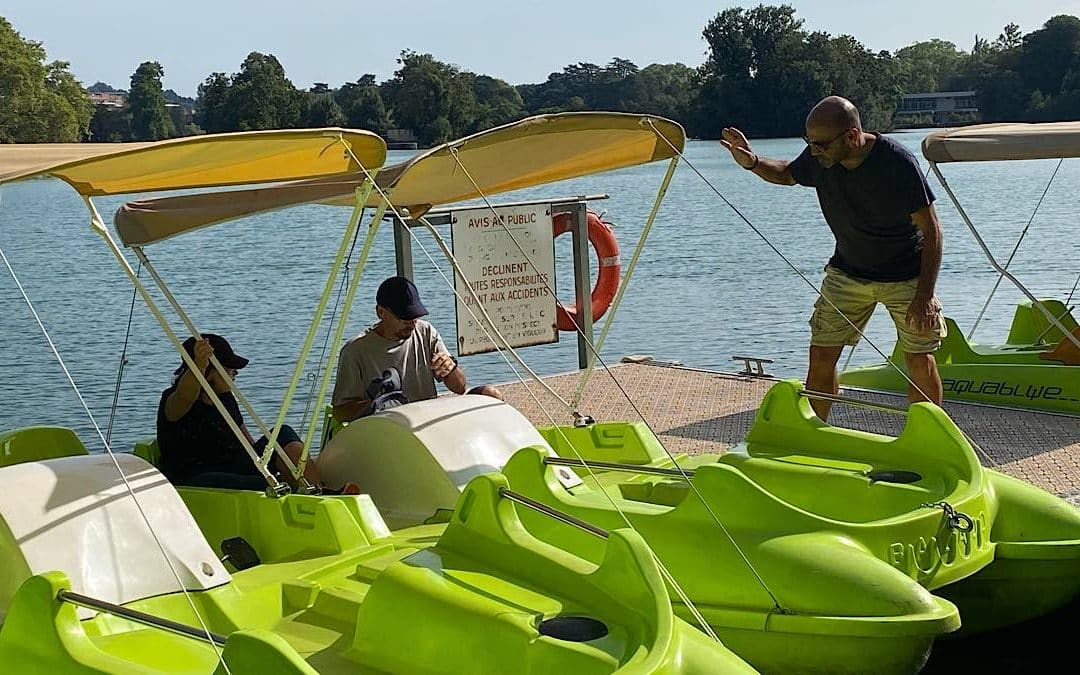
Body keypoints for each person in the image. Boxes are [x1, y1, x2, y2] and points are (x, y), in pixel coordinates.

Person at [720, 95, 946, 420]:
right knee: (822, 354)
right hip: (847, 274)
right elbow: (787, 173)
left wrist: (924, 296)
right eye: (809, 143)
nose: (814, 151)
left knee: (918, 357)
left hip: (906, 277)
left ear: (852, 136)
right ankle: (817, 434)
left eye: (821, 145)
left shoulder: (896, 162)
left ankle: (931, 436)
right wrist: (753, 162)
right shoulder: (821, 156)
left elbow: (932, 231)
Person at [157, 333, 355, 493]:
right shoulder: (175, 400)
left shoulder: (225, 398)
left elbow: (246, 441)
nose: (234, 377)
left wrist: (266, 462)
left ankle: (317, 490)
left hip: (231, 464)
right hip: (194, 474)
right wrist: (199, 365)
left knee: (282, 433)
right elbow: (186, 395)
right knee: (263, 485)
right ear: (208, 374)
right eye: (229, 371)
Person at [331, 276, 503, 424]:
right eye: (404, 317)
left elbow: (460, 387)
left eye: (415, 316)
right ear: (380, 312)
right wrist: (377, 402)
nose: (411, 324)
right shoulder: (355, 350)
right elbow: (340, 412)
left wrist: (450, 368)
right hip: (386, 427)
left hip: (428, 420)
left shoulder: (426, 332)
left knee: (490, 394)